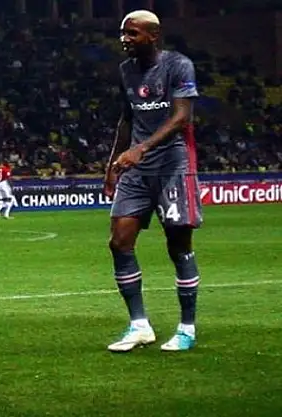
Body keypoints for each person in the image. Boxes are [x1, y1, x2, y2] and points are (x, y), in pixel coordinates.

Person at [104, 10, 202, 353]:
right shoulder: (125, 70)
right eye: (123, 33)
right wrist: (112, 164)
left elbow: (181, 117)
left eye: (132, 33)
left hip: (173, 164)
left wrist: (141, 149)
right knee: (119, 242)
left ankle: (186, 328)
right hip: (137, 168)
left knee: (178, 246)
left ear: (153, 35)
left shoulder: (178, 65)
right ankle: (139, 325)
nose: (125, 39)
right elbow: (126, 118)